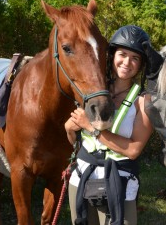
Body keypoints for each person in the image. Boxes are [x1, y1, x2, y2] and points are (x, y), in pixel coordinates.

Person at [65, 25, 157, 225]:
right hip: (81, 177)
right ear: (112, 56)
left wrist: (92, 129)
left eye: (135, 58)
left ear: (141, 65)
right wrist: (70, 129)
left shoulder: (143, 102)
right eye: (122, 54)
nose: (127, 62)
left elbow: (133, 150)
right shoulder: (93, 93)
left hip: (120, 182)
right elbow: (75, 140)